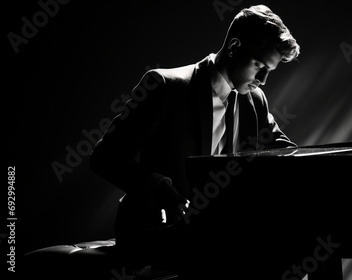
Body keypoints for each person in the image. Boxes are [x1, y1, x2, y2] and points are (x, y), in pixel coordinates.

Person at [90, 4, 300, 278]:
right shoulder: (165, 87)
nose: (263, 80)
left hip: (217, 236)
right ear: (234, 47)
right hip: (158, 231)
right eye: (259, 65)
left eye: (269, 70)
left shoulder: (254, 100)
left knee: (291, 247)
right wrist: (160, 189)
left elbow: (286, 153)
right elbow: (105, 157)